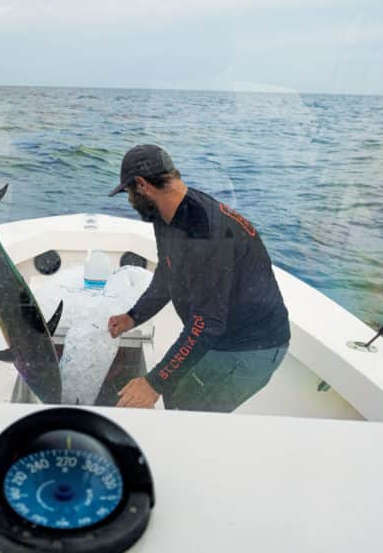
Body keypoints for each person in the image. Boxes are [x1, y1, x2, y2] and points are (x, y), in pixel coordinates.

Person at [107, 144, 290, 412]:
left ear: (143, 185)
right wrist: (133, 316)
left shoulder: (206, 233)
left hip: (248, 348)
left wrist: (153, 382)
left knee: (184, 407)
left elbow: (206, 325)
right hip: (220, 334)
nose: (129, 201)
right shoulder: (166, 215)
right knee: (175, 393)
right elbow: (167, 274)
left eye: (128, 192)